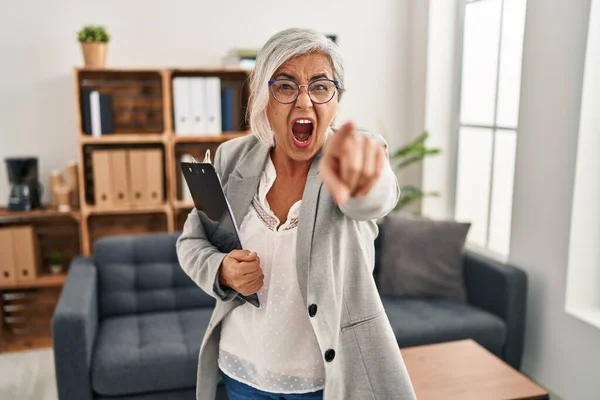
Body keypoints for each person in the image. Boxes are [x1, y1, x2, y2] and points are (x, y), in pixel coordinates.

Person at [176, 27, 415, 400]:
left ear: (336, 100)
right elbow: (192, 241)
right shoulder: (231, 158)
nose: (305, 102)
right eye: (286, 86)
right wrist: (222, 270)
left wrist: (361, 185)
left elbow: (375, 197)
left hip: (323, 381)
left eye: (320, 86)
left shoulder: (352, 154)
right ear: (263, 96)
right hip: (242, 370)